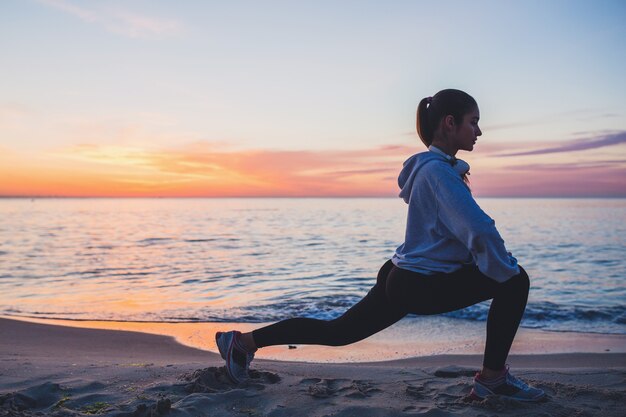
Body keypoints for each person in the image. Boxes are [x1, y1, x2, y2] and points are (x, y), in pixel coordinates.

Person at [215, 89, 545, 402]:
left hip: (403, 274)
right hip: (417, 282)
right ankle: (492, 381)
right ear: (450, 122)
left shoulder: (434, 170)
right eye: (473, 121)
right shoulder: (439, 174)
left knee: (339, 332)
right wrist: (501, 265)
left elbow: (448, 233)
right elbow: (479, 228)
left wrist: (477, 262)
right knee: (516, 281)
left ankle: (241, 343)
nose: (479, 131)